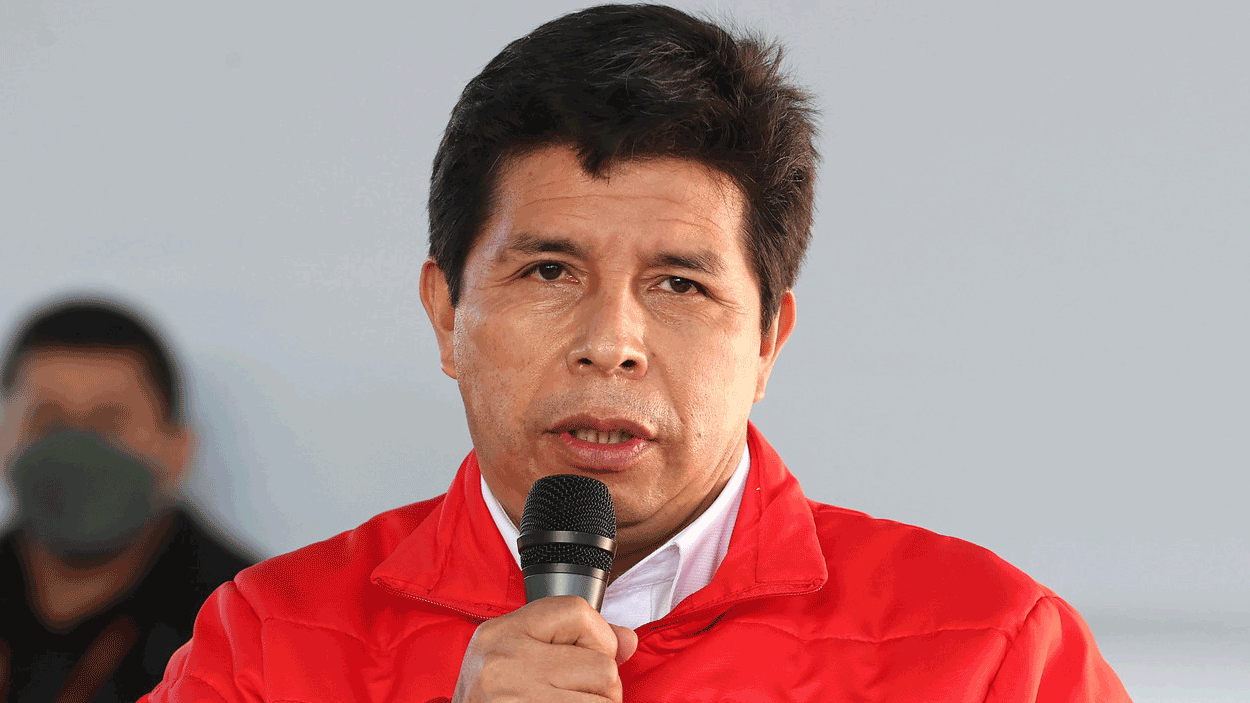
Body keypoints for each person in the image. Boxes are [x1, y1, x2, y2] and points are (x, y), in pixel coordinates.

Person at [142, 4, 1131, 701]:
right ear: (446, 315)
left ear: (766, 342)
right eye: (548, 271)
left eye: (678, 284)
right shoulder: (264, 642)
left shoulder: (992, 652)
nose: (610, 343)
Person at [0, 294, 255, 703]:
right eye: (49, 422)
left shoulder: (252, 624)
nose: (77, 450)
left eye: (108, 425)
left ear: (178, 450)